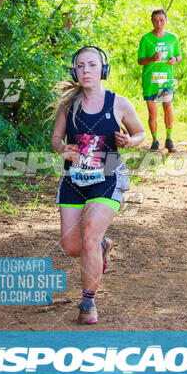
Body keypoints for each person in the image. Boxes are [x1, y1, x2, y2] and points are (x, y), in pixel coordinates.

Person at [49, 46, 145, 324]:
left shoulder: (119, 103)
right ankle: (101, 247)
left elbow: (140, 133)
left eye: (92, 65)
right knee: (71, 246)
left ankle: (87, 303)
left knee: (88, 233)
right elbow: (56, 139)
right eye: (80, 66)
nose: (86, 70)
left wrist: (130, 141)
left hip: (108, 178)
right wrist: (61, 149)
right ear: (74, 71)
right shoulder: (69, 105)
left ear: (103, 70)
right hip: (74, 180)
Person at [137, 9, 182, 152]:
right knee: (153, 113)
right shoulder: (146, 39)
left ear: (166, 20)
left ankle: (169, 139)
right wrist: (152, 59)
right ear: (151, 21)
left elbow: (178, 55)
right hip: (150, 81)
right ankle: (155, 141)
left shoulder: (172, 38)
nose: (159, 23)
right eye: (156, 20)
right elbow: (140, 61)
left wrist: (175, 59)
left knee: (168, 107)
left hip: (166, 80)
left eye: (162, 20)